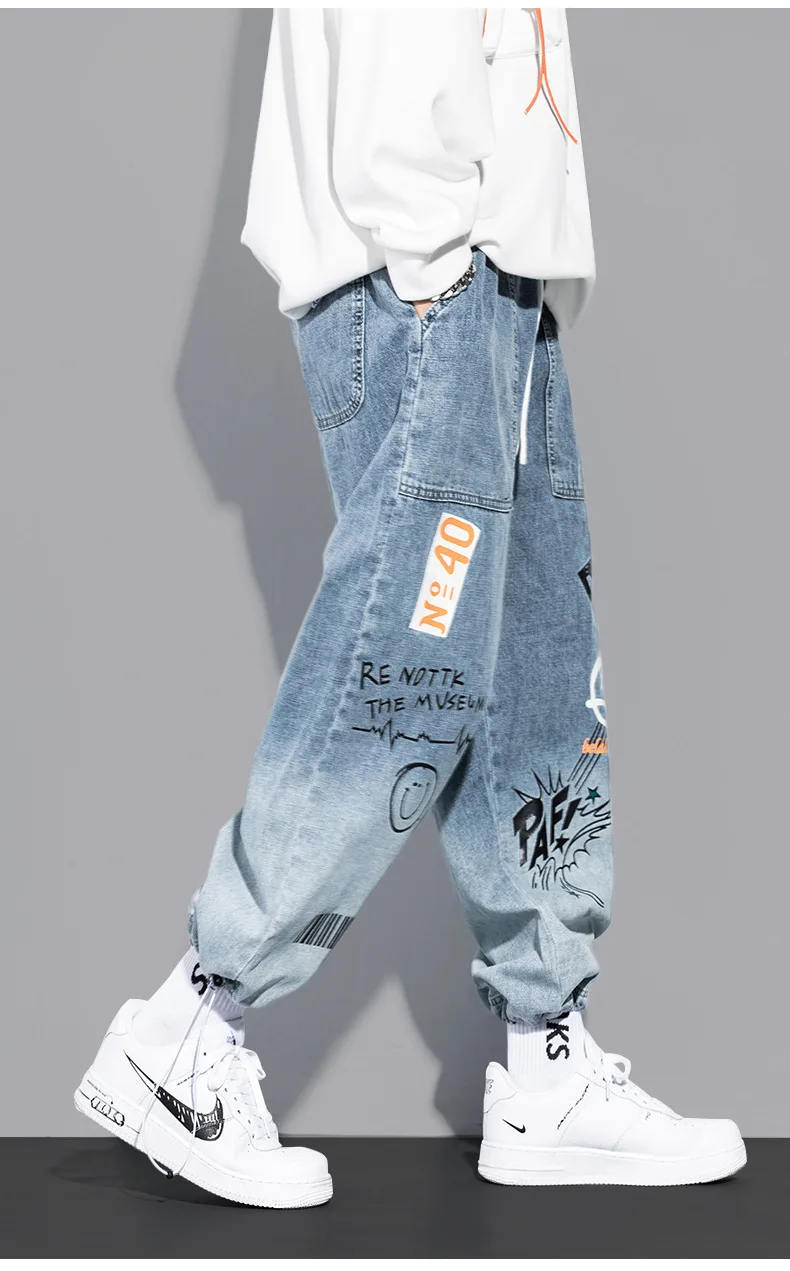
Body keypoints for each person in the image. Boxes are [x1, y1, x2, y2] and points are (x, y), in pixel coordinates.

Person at [74, 8, 745, 1206]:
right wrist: (438, 260)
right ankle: (188, 1023)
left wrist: (516, 283)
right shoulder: (436, 264)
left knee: (538, 669)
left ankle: (545, 1064)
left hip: (497, 283)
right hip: (434, 274)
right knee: (405, 675)